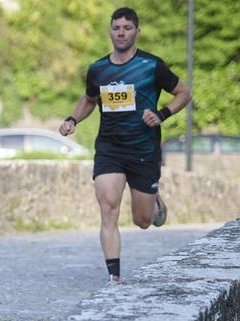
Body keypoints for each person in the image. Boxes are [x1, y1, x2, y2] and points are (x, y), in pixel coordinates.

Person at [59, 6, 191, 284]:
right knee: (108, 207)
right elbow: (89, 100)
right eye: (116, 28)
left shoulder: (152, 66)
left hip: (143, 150)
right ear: (110, 32)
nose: (121, 33)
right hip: (110, 149)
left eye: (127, 28)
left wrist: (162, 114)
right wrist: (73, 119)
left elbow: (184, 92)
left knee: (143, 221)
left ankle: (154, 202)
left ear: (136, 32)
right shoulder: (98, 69)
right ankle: (114, 278)